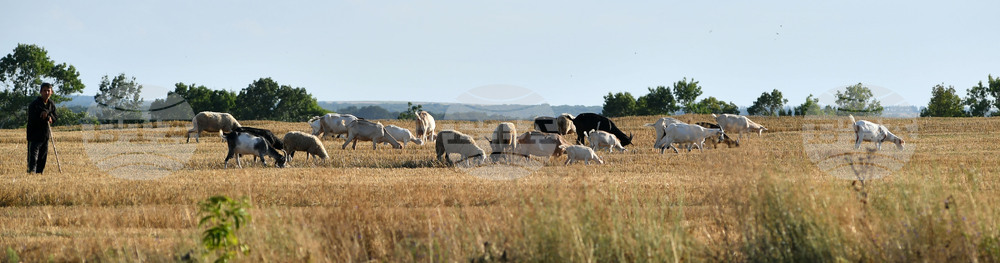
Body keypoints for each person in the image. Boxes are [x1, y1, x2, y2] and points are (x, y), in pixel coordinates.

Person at [26, 82, 58, 174]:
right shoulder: (34, 104)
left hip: (45, 135)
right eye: (44, 91)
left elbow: (55, 116)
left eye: (48, 91)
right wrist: (43, 116)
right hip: (34, 135)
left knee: (42, 157)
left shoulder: (51, 103)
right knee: (33, 157)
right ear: (40, 92)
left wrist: (51, 117)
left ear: (51, 92)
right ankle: (31, 172)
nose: (47, 93)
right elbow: (33, 118)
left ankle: (40, 173)